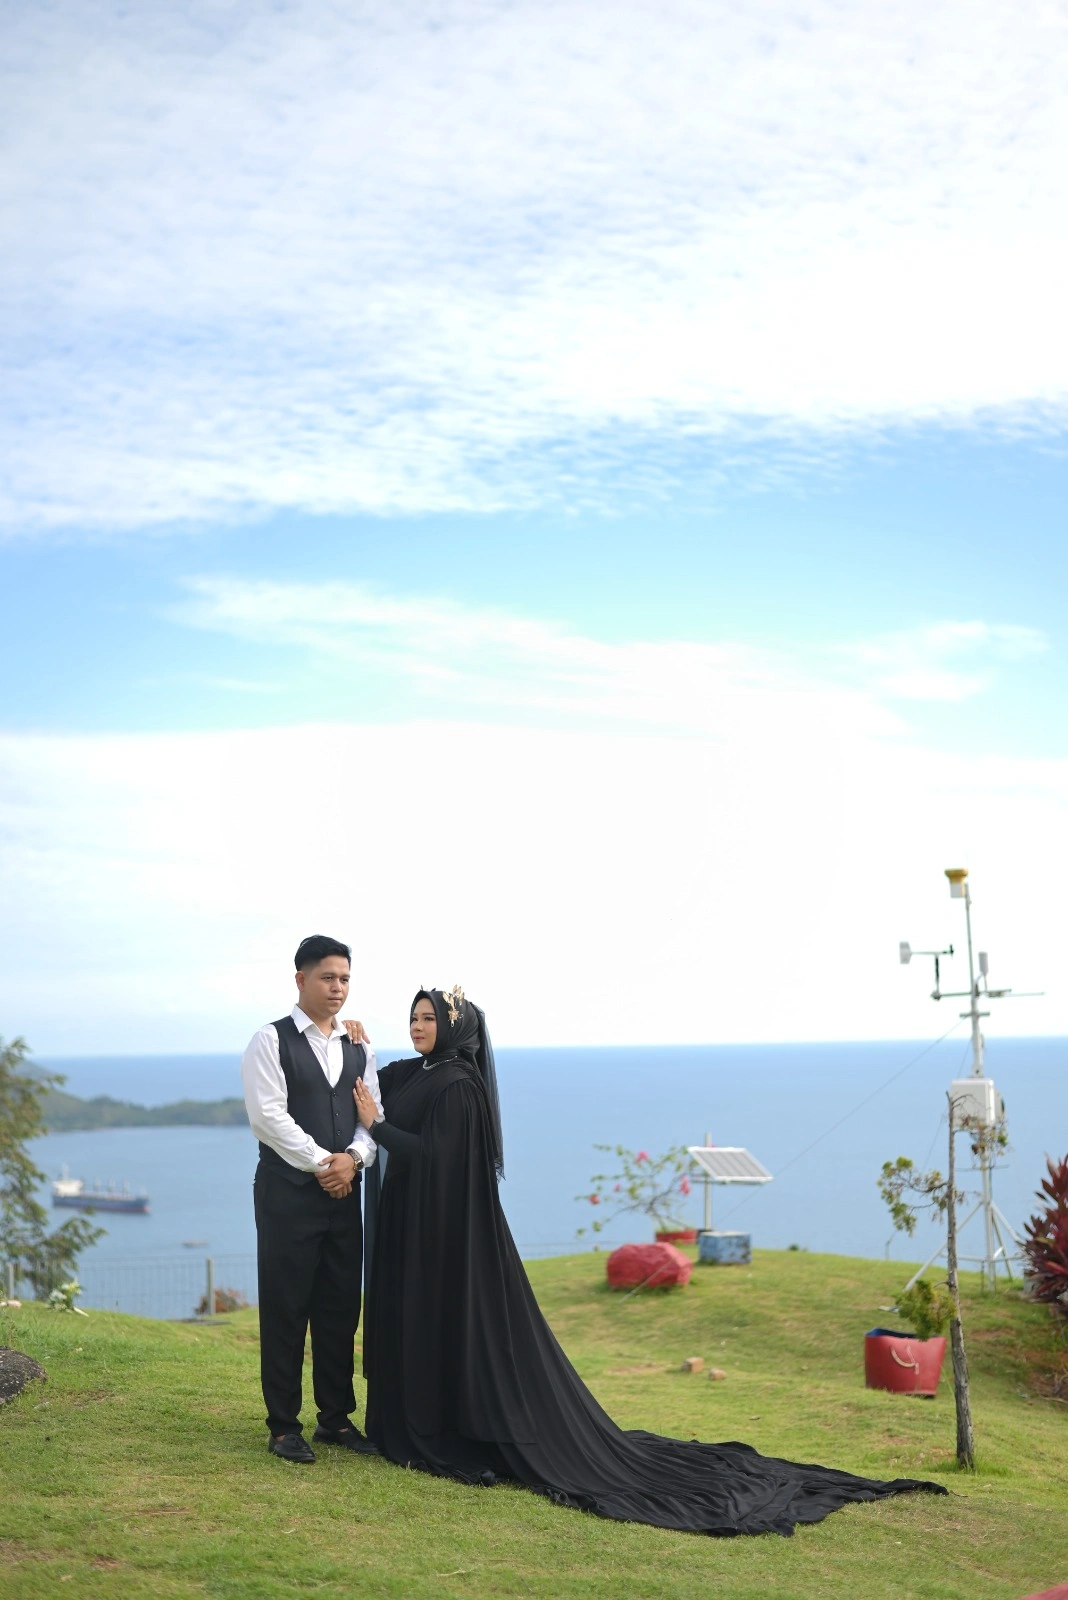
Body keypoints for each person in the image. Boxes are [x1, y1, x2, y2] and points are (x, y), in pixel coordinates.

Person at [352, 986, 948, 1536]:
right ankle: (409, 1426)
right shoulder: (420, 1072)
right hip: (415, 1224)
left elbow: (433, 1157)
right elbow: (374, 1076)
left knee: (446, 1323)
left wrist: (376, 1125)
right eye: (414, 1016)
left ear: (456, 1027)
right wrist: (353, 1041)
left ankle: (445, 1432)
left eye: (429, 1017)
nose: (418, 1025)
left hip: (444, 1233)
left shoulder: (458, 1085)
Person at [241, 934, 382, 1463]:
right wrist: (328, 1163)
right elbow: (268, 1118)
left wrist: (355, 1159)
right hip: (288, 1196)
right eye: (328, 977)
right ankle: (283, 1427)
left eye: (344, 978)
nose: (338, 987)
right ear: (301, 979)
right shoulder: (270, 1040)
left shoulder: (359, 1045)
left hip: (345, 1195)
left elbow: (372, 1116)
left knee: (340, 1307)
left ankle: (335, 1419)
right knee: (286, 1308)